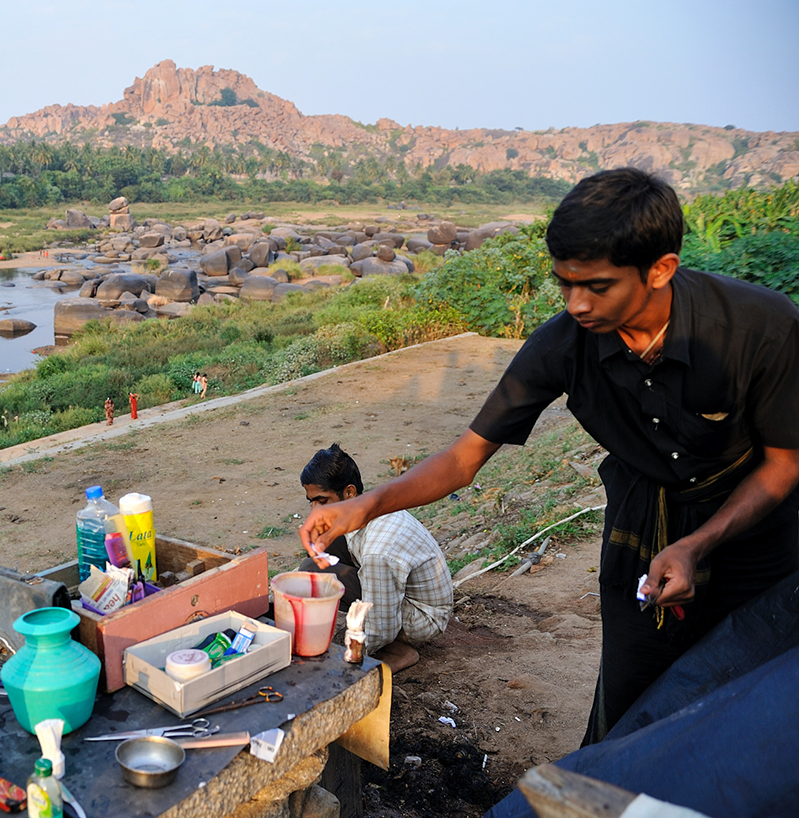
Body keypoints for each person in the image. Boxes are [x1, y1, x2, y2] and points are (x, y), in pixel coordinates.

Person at [301, 168, 799, 743]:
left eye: (598, 286)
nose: (577, 304)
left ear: (660, 268)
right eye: (565, 284)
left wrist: (698, 543)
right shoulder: (561, 345)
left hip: (753, 530)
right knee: (632, 694)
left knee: (755, 696)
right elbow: (466, 457)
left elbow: (784, 465)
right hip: (643, 522)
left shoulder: (759, 329)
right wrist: (366, 505)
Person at [298, 444, 452, 672]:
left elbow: (381, 626)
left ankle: (396, 650)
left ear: (349, 492)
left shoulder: (378, 551)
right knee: (314, 565)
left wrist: (346, 654)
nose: (315, 511)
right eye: (312, 502)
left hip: (423, 617)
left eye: (322, 501)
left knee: (316, 575)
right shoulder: (368, 504)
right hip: (399, 588)